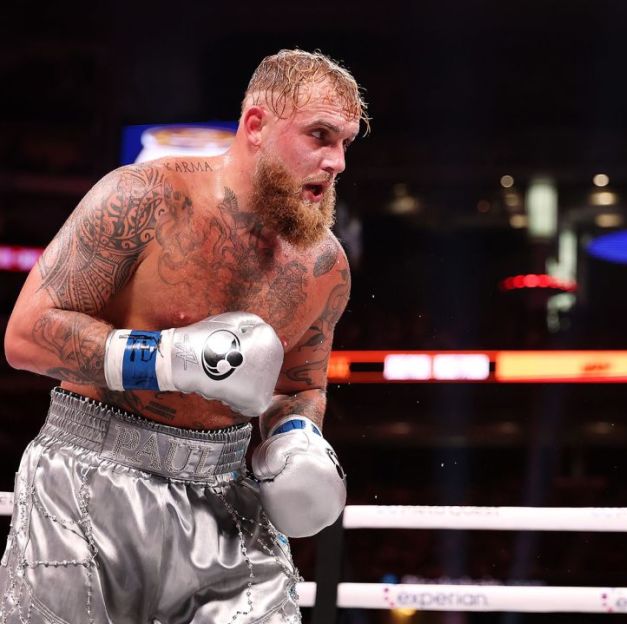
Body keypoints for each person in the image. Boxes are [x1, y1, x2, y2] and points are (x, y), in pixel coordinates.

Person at [0, 49, 366, 622]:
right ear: (256, 126)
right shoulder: (143, 197)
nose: (337, 161)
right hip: (87, 483)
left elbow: (298, 383)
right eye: (320, 135)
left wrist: (296, 438)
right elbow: (25, 335)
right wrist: (170, 358)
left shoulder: (325, 266)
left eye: (345, 142)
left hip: (225, 499)